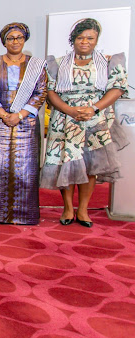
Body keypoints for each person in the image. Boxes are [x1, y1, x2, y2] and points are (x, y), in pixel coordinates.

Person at [41, 18, 129, 227]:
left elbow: (117, 89)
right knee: (66, 163)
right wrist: (69, 109)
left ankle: (83, 210)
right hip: (64, 118)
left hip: (95, 118)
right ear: (73, 39)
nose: (85, 41)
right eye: (80, 37)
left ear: (97, 39)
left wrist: (94, 108)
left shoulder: (108, 62)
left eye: (90, 38)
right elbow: (50, 91)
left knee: (90, 166)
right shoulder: (59, 63)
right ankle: (68, 208)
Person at [0, 23, 47, 225]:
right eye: (11, 38)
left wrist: (19, 114)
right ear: (4, 41)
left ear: (24, 39)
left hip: (25, 121)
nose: (15, 41)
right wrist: (3, 114)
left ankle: (25, 215)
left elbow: (41, 92)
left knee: (24, 169)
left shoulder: (35, 65)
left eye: (19, 38)